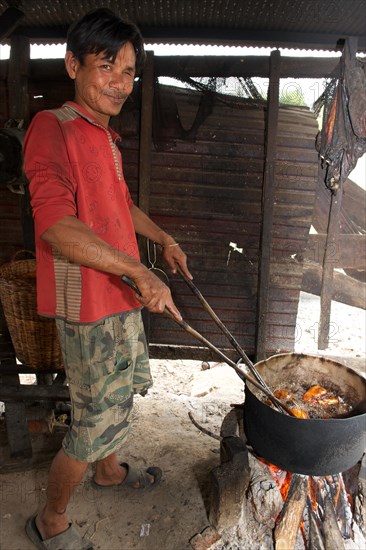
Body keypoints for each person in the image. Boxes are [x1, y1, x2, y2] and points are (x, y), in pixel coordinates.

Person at [23, 8, 192, 550]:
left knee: (120, 395)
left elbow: (122, 206)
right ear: (73, 63)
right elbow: (55, 225)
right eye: (107, 67)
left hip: (119, 296)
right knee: (94, 417)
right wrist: (138, 269)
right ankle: (50, 521)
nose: (121, 83)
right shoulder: (52, 128)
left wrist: (162, 241)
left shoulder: (106, 137)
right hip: (87, 306)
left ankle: (109, 472)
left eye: (129, 72)